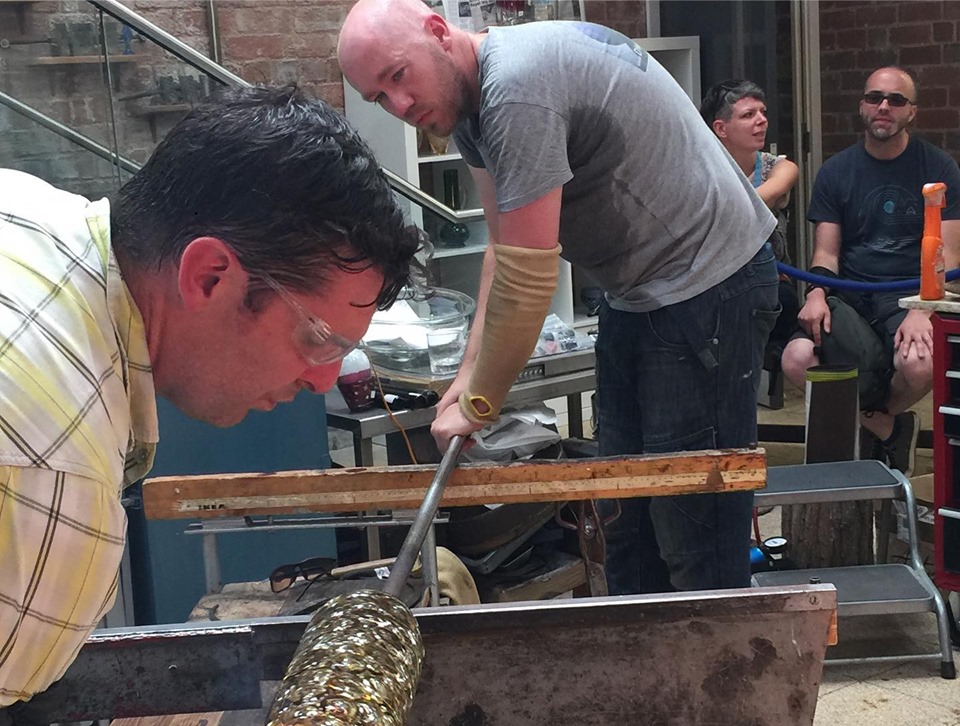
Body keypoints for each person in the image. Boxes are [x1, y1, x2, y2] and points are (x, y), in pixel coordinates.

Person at [0, 85, 420, 726]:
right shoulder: (51, 470)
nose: (320, 380)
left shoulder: (29, 213)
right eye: (317, 341)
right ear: (210, 274)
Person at [338, 1, 780, 597]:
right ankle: (644, 681)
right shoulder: (471, 110)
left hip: (708, 285)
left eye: (397, 76)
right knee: (624, 516)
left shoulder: (516, 88)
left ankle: (722, 683)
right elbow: (503, 247)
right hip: (639, 294)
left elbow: (528, 277)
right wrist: (463, 385)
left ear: (440, 34)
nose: (399, 105)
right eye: (377, 98)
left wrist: (481, 403)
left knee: (692, 525)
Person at [780, 66, 960, 475]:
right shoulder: (835, 171)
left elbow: (948, 256)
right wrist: (815, 294)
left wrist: (922, 309)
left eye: (896, 100)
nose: (884, 107)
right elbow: (826, 252)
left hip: (911, 293)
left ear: (911, 112)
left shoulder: (939, 168)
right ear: (862, 106)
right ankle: (886, 428)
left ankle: (866, 422)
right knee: (796, 357)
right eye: (875, 97)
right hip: (851, 295)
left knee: (919, 362)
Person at [701, 79, 801, 401]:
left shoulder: (776, 168)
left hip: (767, 286)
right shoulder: (702, 171)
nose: (761, 121)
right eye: (748, 115)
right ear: (721, 128)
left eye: (763, 112)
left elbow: (779, 183)